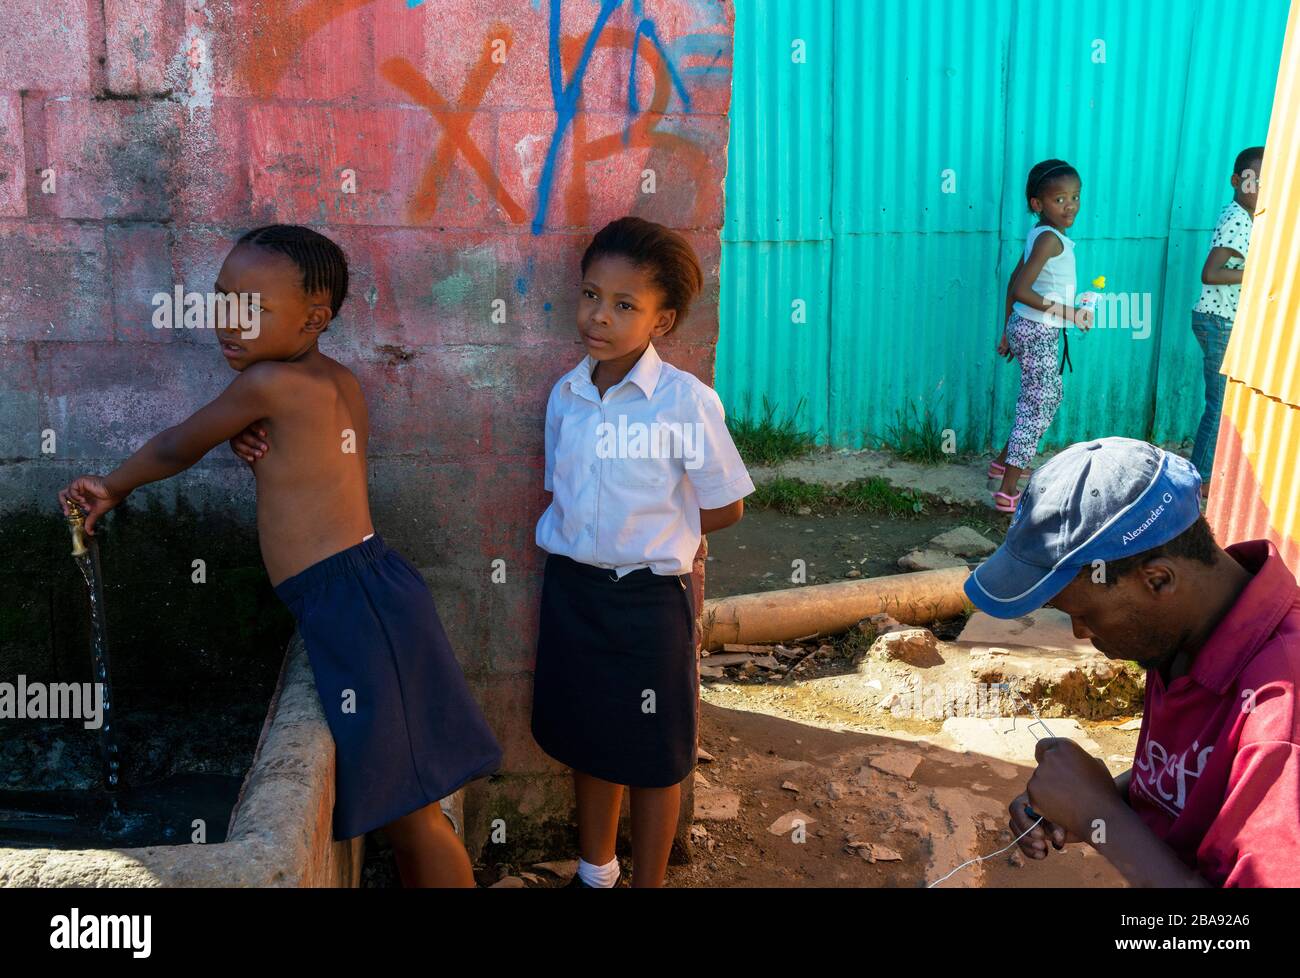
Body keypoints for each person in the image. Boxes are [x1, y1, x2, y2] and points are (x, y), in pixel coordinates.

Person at [57, 224, 501, 887]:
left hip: (349, 604)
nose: (227, 321)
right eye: (221, 300)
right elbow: (309, 463)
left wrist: (112, 487)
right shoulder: (333, 381)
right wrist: (251, 442)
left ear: (314, 318)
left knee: (411, 817)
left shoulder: (266, 384)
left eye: (252, 308)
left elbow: (180, 445)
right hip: (375, 586)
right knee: (410, 806)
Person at [965, 437, 1300, 886]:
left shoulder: (1281, 715)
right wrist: (1091, 804)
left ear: (1158, 580)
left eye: (1085, 615)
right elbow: (1197, 788)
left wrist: (1101, 814)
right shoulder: (1183, 635)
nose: (1080, 634)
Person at [531, 216, 755, 888]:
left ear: (663, 321)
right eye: (591, 294)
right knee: (587, 739)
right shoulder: (566, 397)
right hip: (573, 590)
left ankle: (649, 882)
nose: (599, 315)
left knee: (657, 755)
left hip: (649, 602)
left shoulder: (685, 402)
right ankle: (596, 871)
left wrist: (662, 536)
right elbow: (564, 493)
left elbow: (727, 503)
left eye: (625, 305)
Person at [990, 159, 1093, 513]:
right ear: (1037, 204)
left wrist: (1006, 331)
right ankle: (1007, 490)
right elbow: (1021, 288)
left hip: (1025, 328)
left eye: (1075, 197)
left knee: (1044, 398)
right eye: (1060, 200)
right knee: (1037, 407)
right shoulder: (1049, 239)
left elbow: (1012, 283)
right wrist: (1072, 314)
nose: (1071, 206)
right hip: (1037, 331)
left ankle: (1004, 462)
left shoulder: (1040, 235)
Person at [1191, 145, 1265, 495]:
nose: (1260, 188)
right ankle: (1199, 479)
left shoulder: (1249, 218)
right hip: (1218, 321)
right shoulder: (1236, 218)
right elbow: (1211, 272)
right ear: (1237, 181)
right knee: (1219, 405)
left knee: (1226, 403)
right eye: (1254, 180)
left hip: (1225, 320)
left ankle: (1206, 472)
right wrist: (1256, 273)